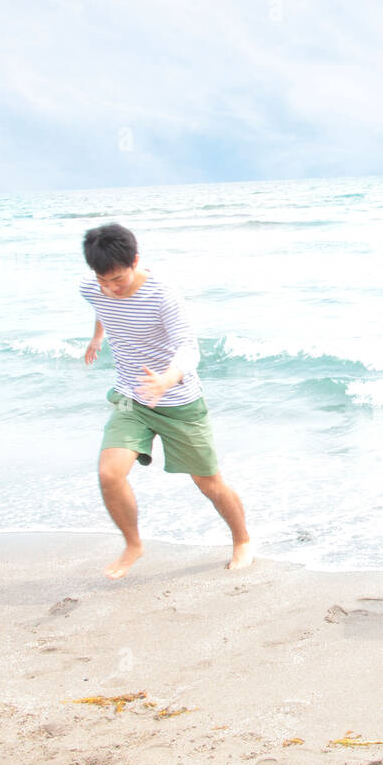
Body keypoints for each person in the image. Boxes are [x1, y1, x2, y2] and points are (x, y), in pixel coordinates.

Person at [79, 223, 252, 578]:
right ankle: (133, 544)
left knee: (209, 483)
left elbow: (189, 348)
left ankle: (242, 539)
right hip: (131, 397)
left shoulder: (162, 296)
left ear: (136, 262)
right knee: (109, 474)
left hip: (178, 402)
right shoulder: (92, 288)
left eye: (118, 280)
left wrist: (167, 380)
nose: (111, 289)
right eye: (103, 280)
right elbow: (101, 305)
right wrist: (97, 337)